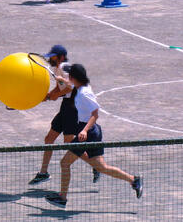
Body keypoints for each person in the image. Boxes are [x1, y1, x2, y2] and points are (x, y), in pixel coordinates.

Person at [45, 64, 143, 209]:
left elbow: (95, 114)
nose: (68, 78)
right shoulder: (81, 87)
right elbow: (69, 86)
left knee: (64, 163)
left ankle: (62, 198)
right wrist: (61, 80)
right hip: (92, 132)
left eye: (69, 76)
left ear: (73, 77)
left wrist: (84, 130)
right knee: (102, 167)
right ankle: (134, 180)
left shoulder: (84, 93)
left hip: (87, 133)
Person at [28, 46, 100, 186]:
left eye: (53, 56)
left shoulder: (65, 67)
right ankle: (43, 173)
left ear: (61, 57)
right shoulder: (59, 68)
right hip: (66, 107)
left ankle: (96, 165)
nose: (50, 59)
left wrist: (54, 95)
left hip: (72, 108)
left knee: (69, 143)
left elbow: (69, 87)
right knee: (49, 139)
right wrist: (49, 96)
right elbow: (60, 87)